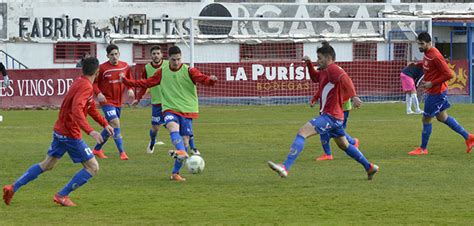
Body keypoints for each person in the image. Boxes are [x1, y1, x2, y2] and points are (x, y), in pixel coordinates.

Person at [2, 57, 114, 207]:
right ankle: (62, 195)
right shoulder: (86, 86)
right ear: (98, 71)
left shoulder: (80, 81)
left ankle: (12, 187)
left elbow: (90, 107)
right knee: (93, 167)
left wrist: (105, 123)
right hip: (70, 134)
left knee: (47, 164)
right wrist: (91, 131)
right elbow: (76, 110)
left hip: (60, 130)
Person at [267, 41, 379, 180]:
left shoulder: (333, 68)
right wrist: (308, 64)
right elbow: (315, 77)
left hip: (331, 116)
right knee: (344, 145)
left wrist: (354, 96)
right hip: (335, 117)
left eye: (319, 58)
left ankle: (285, 167)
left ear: (328, 58)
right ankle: (369, 167)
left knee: (302, 132)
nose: (317, 61)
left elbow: (346, 79)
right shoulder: (325, 71)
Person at [121, 46, 217, 181]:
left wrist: (211, 80)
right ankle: (181, 151)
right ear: (169, 59)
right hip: (169, 108)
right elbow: (146, 83)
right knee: (171, 125)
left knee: (185, 141)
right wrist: (127, 82)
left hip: (187, 109)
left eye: (178, 59)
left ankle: (175, 173)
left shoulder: (189, 70)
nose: (176, 62)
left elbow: (203, 79)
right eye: (173, 60)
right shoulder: (162, 72)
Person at [408, 32, 474, 155]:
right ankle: (469, 137)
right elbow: (429, 65)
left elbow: (449, 74)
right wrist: (418, 64)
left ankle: (423, 149)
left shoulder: (435, 55)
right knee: (442, 117)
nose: (420, 46)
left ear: (429, 43)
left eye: (422, 44)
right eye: (418, 44)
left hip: (436, 92)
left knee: (426, 118)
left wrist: (432, 83)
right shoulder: (427, 53)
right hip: (436, 91)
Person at [92, 44, 134, 160]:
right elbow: (94, 83)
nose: (114, 57)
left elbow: (129, 80)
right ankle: (122, 152)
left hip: (119, 102)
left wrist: (130, 89)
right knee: (115, 123)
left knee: (110, 126)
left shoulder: (125, 66)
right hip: (107, 101)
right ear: (107, 56)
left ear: (119, 54)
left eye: (116, 54)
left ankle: (96, 149)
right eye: (112, 55)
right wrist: (98, 93)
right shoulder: (102, 68)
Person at [310, 96, 359, 161]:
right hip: (330, 109)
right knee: (327, 130)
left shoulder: (342, 86)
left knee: (332, 131)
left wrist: (354, 99)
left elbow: (349, 91)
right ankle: (328, 154)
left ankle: (328, 154)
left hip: (342, 109)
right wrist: (315, 98)